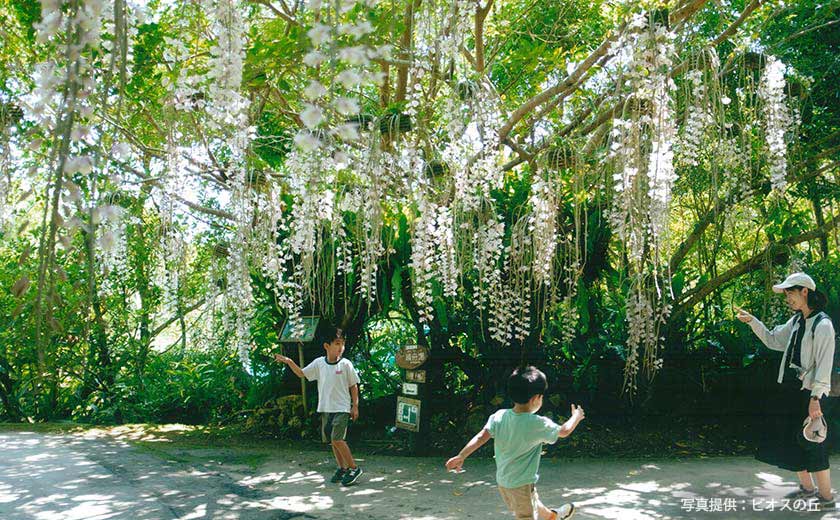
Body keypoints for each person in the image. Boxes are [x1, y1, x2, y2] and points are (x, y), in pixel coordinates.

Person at [736, 272, 836, 510]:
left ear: (804, 292)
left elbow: (824, 365)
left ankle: (826, 498)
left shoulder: (823, 325)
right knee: (791, 440)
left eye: (790, 292)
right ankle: (807, 489)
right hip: (790, 390)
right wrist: (753, 322)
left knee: (814, 442)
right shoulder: (797, 321)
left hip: (810, 393)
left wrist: (815, 400)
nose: (787, 298)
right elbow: (773, 340)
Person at [445, 366, 584, 520]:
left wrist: (461, 455)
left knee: (531, 502)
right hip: (522, 484)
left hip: (503, 481)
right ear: (535, 398)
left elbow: (480, 437)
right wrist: (576, 417)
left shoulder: (499, 416)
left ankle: (553, 517)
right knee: (526, 514)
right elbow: (564, 431)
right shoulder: (537, 423)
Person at [275, 324, 363, 486]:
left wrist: (355, 406)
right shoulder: (319, 364)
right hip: (326, 408)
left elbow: (353, 386)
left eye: (342, 344)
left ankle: (354, 467)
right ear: (326, 346)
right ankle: (342, 468)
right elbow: (302, 373)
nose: (340, 347)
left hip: (342, 408)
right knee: (332, 440)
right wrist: (289, 361)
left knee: (337, 438)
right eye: (337, 344)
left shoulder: (346, 365)